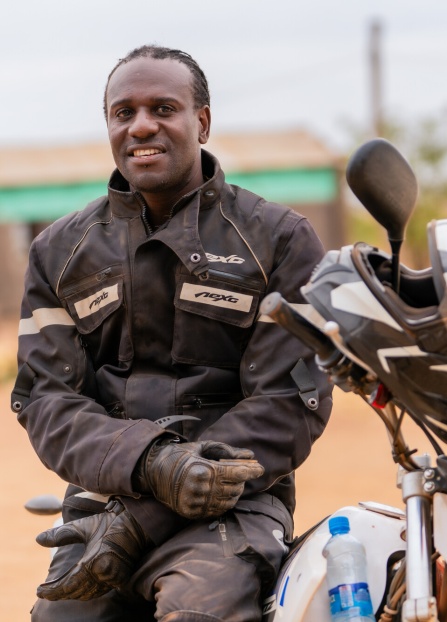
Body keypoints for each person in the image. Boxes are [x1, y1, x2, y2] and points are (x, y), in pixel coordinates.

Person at [11, 44, 333, 622]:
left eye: (163, 108)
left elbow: (290, 402)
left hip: (236, 508)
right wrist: (151, 465)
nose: (141, 127)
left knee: (197, 611)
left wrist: (147, 513)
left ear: (201, 121)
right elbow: (46, 399)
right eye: (123, 112)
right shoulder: (59, 251)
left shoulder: (279, 240)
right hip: (103, 500)